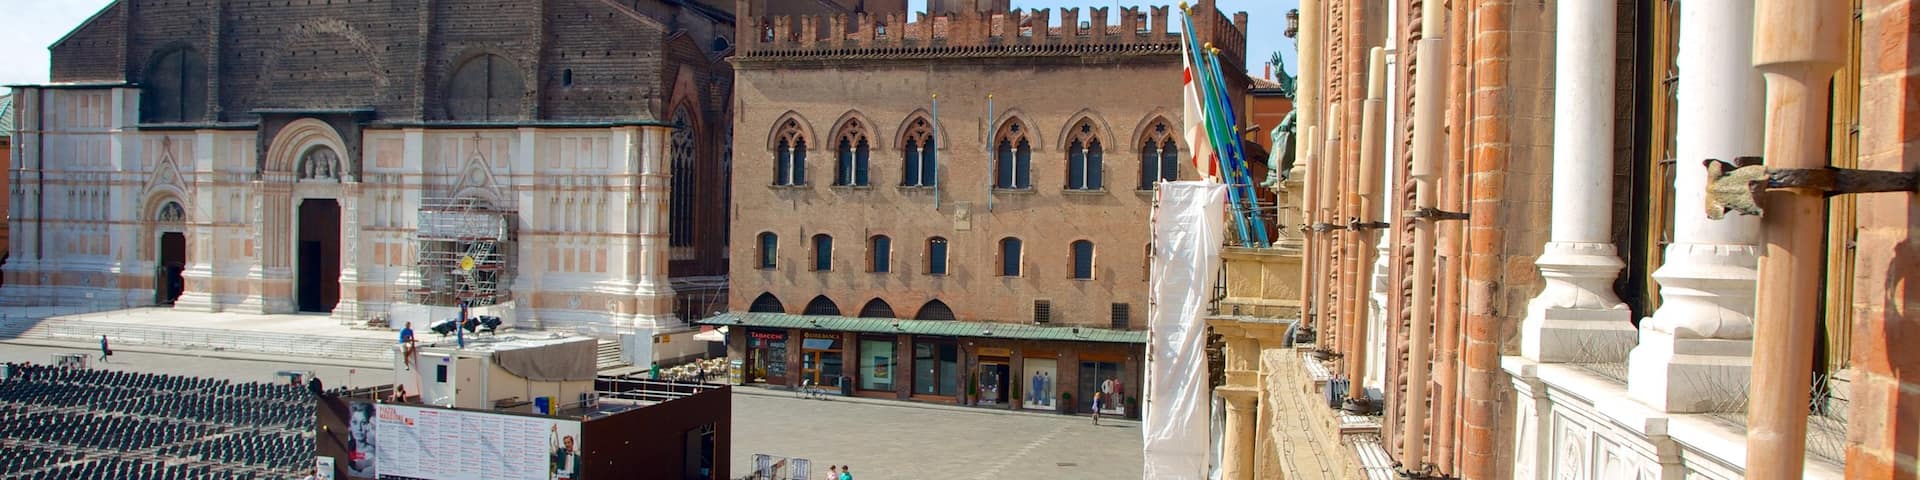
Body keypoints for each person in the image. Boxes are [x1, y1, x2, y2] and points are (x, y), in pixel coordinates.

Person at [347, 402, 376, 477]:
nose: (359, 428)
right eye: (355, 422)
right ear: (350, 425)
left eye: (363, 423)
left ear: (368, 425)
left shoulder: (375, 451)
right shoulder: (346, 447)